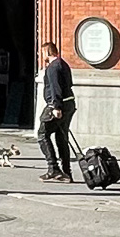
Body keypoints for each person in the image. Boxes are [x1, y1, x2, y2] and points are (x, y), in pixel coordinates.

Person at [37, 41, 76, 182]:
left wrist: (56, 107)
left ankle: (53, 168)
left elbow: (55, 88)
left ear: (47, 52)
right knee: (61, 137)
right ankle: (66, 172)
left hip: (59, 105)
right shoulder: (63, 64)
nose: (41, 56)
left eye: (42, 53)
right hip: (70, 103)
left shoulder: (53, 67)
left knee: (42, 134)